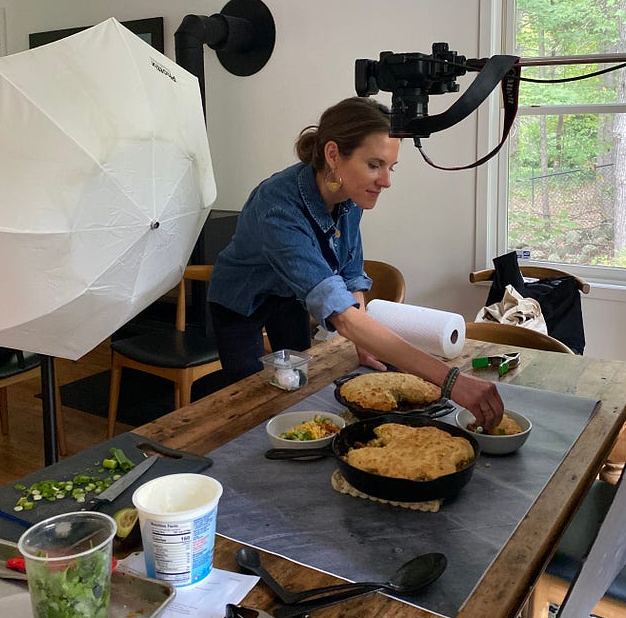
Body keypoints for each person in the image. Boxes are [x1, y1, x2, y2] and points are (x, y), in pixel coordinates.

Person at [208, 96, 503, 429]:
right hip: (240, 301)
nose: (386, 181)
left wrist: (363, 340)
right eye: (374, 165)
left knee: (299, 388)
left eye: (391, 167)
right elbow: (343, 317)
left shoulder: (349, 195)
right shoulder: (277, 206)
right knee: (251, 402)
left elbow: (350, 274)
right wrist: (452, 381)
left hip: (289, 297)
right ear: (333, 154)